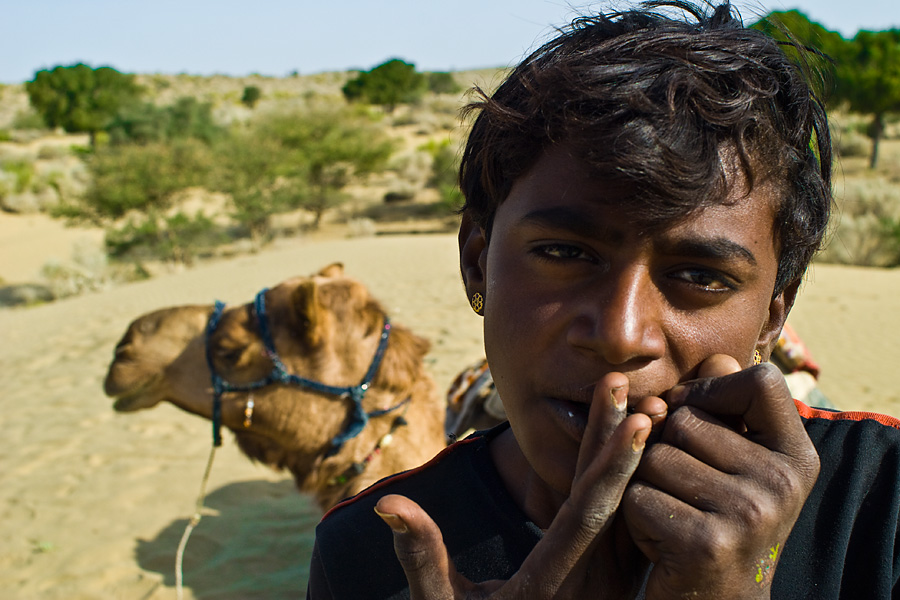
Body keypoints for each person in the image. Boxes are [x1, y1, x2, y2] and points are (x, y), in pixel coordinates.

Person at [308, 2, 900, 598]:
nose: (620, 334)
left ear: (775, 312)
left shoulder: (884, 501)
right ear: (476, 263)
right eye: (565, 254)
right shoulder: (370, 550)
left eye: (700, 275)